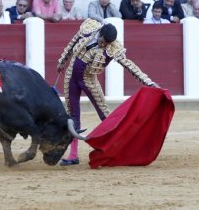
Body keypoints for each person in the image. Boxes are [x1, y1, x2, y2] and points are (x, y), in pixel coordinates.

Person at [57, 19, 159, 166]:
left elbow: (129, 65)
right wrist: (62, 61)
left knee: (105, 115)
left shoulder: (113, 47)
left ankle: (119, 148)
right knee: (73, 115)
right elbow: (72, 43)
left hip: (89, 80)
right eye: (103, 41)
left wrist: (148, 82)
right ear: (100, 33)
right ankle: (73, 155)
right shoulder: (89, 27)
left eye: (107, 44)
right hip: (71, 76)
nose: (104, 45)